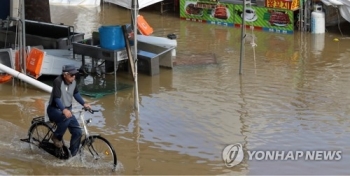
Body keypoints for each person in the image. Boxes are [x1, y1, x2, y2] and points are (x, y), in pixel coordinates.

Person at [46, 64, 91, 157]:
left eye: (75, 75)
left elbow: (76, 94)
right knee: (66, 118)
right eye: (71, 75)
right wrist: (64, 110)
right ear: (65, 74)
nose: (74, 77)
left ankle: (72, 154)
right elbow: (57, 98)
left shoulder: (73, 82)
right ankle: (56, 137)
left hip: (67, 111)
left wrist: (84, 104)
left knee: (78, 132)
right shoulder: (58, 81)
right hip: (54, 109)